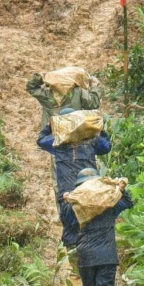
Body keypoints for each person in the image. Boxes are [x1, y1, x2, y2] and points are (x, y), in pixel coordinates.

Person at [29, 74, 108, 269]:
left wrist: (51, 126)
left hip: (66, 191)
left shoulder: (57, 143)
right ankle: (93, 260)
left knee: (70, 222)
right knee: (90, 220)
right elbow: (106, 147)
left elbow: (41, 140)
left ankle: (75, 265)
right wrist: (100, 129)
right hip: (88, 185)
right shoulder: (90, 141)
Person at [70, 168, 132, 286]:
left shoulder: (76, 205)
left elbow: (67, 223)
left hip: (85, 255)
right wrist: (119, 188)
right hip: (107, 254)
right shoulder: (110, 205)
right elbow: (128, 202)